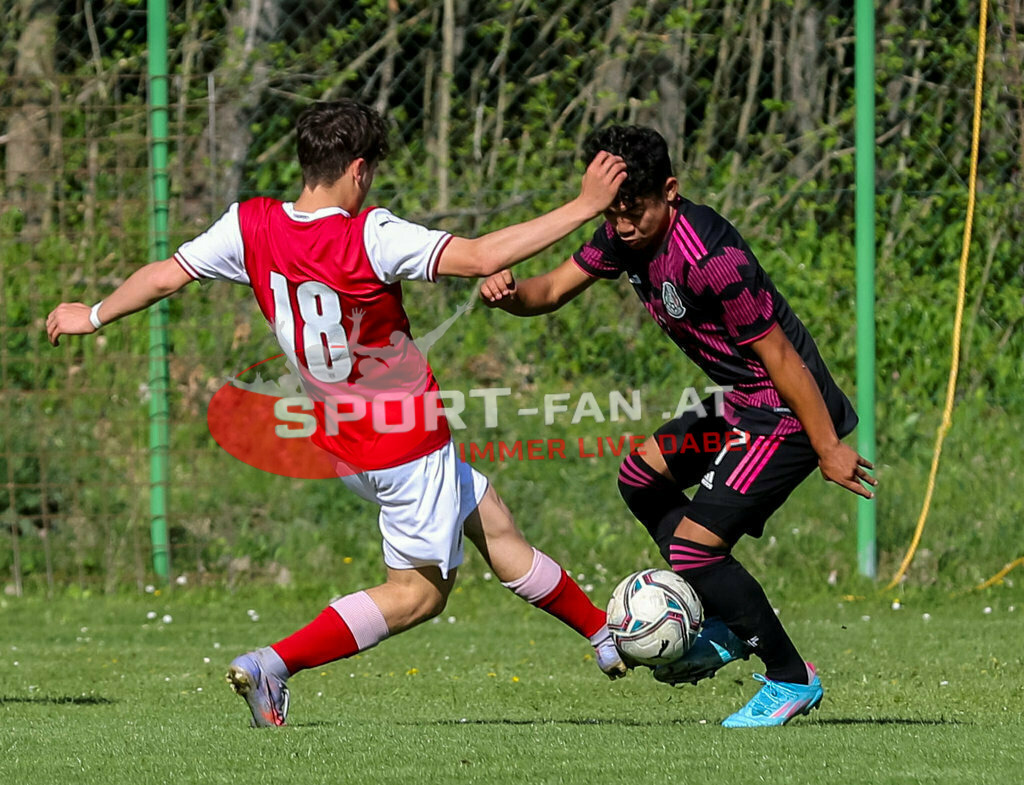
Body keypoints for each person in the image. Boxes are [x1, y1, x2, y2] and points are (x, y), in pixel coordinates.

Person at [46, 99, 629, 727]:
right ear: (357, 169)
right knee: (418, 595)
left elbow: (165, 276)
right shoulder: (370, 234)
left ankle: (604, 634)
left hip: (343, 443)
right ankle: (275, 663)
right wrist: (585, 206)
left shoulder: (249, 225)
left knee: (492, 523)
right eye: (370, 169)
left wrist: (96, 314)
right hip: (406, 445)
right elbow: (484, 256)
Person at [480, 124, 876, 728]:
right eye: (613, 213)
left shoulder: (710, 257)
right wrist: (511, 294)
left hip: (783, 410)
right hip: (743, 400)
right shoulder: (623, 236)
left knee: (693, 548)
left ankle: (790, 677)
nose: (622, 225)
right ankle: (717, 611)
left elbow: (782, 357)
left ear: (670, 190)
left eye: (634, 211)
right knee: (641, 477)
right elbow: (554, 288)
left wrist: (827, 445)